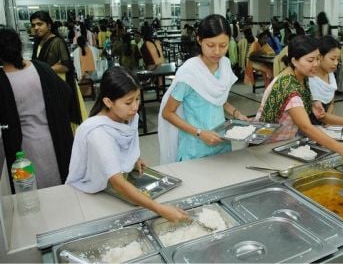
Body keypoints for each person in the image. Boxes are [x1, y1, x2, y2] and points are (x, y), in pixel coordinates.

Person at [66, 66, 189, 222]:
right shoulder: (98, 133)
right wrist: (161, 209)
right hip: (90, 191)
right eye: (128, 102)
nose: (135, 107)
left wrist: (134, 158)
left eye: (137, 98)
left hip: (110, 186)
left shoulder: (129, 116)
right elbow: (118, 183)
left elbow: (125, 144)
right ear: (108, 102)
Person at [158, 14, 249, 163]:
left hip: (222, 142)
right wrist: (199, 133)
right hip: (195, 147)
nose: (217, 52)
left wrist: (237, 114)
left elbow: (218, 100)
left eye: (223, 45)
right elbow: (167, 113)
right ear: (199, 40)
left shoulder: (224, 65)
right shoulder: (190, 73)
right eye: (211, 45)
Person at [255, 35, 343, 162]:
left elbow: (307, 111)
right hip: (266, 147)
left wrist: (312, 103)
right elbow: (306, 127)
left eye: (317, 59)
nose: (316, 64)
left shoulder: (300, 77)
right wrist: (342, 149)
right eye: (310, 60)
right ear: (294, 61)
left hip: (283, 142)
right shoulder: (288, 86)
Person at [0, 27, 74, 190]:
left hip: (25, 146)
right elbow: (67, 93)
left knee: (31, 189)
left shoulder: (3, 80)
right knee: (60, 183)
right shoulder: (41, 68)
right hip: (54, 137)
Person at [30, 10, 86, 127]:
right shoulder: (38, 42)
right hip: (46, 84)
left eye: (40, 24)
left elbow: (66, 65)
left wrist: (44, 70)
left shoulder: (57, 42)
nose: (36, 27)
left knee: (62, 120)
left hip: (59, 85)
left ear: (49, 25)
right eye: (33, 25)